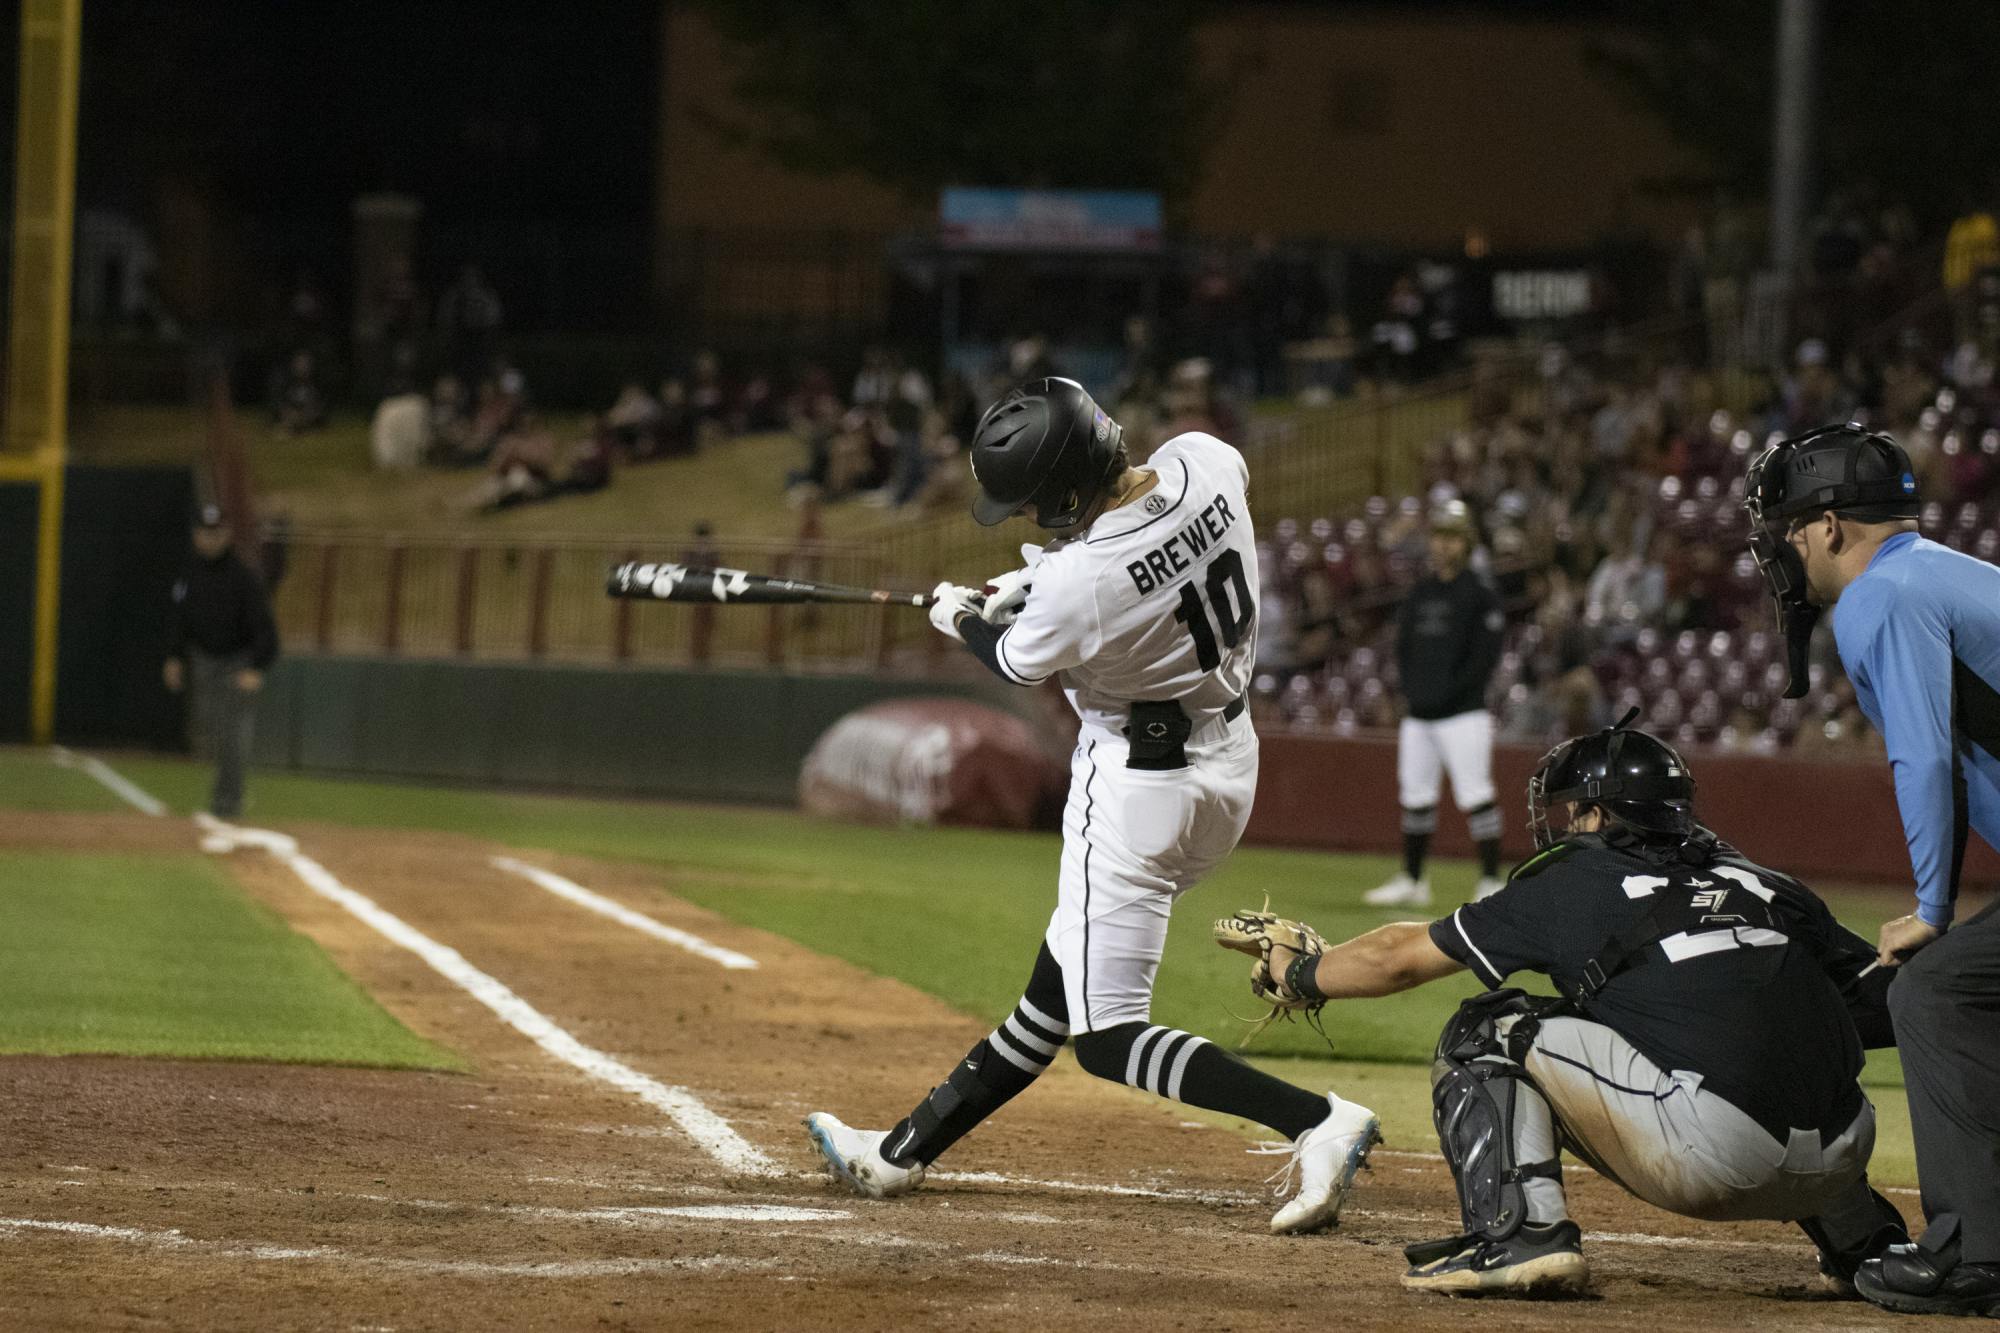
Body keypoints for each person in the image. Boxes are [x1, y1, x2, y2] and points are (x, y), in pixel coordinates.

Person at [803, 378, 1381, 1232]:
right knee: (1054, 994)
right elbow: (1133, 549)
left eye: (1040, 504)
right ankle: (899, 1154)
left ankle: (1316, 1119)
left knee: (1106, 1036)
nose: (1034, 518)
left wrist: (960, 614)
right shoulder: (1205, 459)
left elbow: (1017, 657)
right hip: (1227, 767)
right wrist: (1031, 578)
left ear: (1069, 488)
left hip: (1136, 795)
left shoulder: (1082, 581)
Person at [1235, 715, 1908, 1297]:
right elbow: (1884, 1000)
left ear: (1600, 814)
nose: (1567, 825)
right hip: (1845, 1147)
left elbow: (1398, 957)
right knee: (1764, 1033)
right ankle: (1865, 1241)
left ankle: (1522, 1233)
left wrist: (1300, 972)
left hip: (1715, 1157)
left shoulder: (1577, 881)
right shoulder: (1764, 882)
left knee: (1485, 1028)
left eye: (1574, 811)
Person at [1745, 422, 2000, 1317]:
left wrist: (1932, 907)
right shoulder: (1943, 572)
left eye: (1785, 527)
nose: (1780, 548)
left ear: (1826, 526)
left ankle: (1974, 1253)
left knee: (1936, 992)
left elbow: (1926, 757)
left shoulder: (1881, 594)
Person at [1366, 500, 1507, 908]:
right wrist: (1413, 694)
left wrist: (1448, 694)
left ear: (1467, 542)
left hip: (1464, 714)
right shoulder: (1421, 592)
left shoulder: (1479, 594)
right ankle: (1413, 878)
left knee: (1476, 793)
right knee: (1415, 796)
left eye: (1453, 537)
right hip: (1420, 715)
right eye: (1439, 536)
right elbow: (1404, 648)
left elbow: (1484, 660)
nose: (1444, 545)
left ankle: (1490, 879)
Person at [163, 506, 279, 820]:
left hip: (236, 663)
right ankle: (223, 799)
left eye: (215, 533)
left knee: (234, 735)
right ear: (196, 534)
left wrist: (256, 666)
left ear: (226, 535)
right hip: (203, 661)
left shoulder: (243, 576)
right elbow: (180, 620)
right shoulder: (189, 573)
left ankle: (229, 803)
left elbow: (264, 628)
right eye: (204, 532)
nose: (209, 539)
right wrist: (174, 657)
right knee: (212, 734)